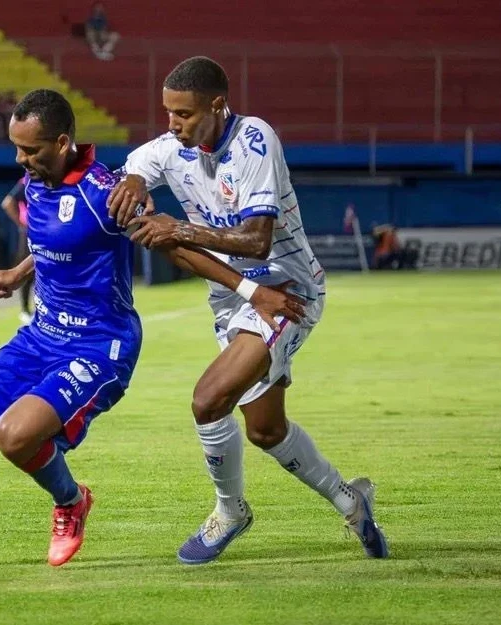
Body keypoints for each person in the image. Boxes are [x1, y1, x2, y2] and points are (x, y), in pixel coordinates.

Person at [0, 89, 299, 572]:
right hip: (41, 335)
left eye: (30, 150)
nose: (21, 160)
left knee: (15, 436)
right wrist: (18, 273)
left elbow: (175, 248)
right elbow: (56, 243)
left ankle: (72, 502)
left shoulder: (107, 194)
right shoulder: (36, 178)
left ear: (62, 143)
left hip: (100, 345)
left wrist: (251, 291)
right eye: (17, 149)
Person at [109, 56, 389, 563]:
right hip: (233, 297)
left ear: (217, 105)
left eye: (185, 113)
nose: (173, 123)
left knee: (208, 400)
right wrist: (131, 181)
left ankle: (230, 511)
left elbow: (257, 240)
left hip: (285, 291)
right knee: (265, 430)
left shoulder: (255, 139)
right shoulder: (169, 148)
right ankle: (351, 501)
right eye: (168, 112)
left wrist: (179, 228)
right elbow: (135, 169)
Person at [0, 175, 33, 324]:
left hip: (45, 233)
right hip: (30, 233)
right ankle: (25, 310)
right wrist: (21, 224)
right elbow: (7, 203)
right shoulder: (28, 181)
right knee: (28, 272)